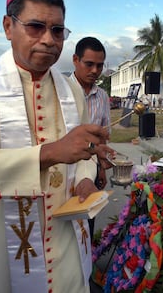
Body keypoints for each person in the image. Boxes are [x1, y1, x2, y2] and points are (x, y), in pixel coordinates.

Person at [0, 0, 114, 292]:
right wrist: (52, 152)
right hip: (3, 244)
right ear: (8, 26)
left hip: (66, 240)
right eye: (36, 27)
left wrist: (85, 179)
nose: (49, 39)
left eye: (58, 30)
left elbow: (84, 154)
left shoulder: (71, 90)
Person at [70, 36, 111, 234]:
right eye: (89, 64)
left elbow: (103, 137)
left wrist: (102, 169)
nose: (95, 71)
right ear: (75, 60)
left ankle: (88, 261)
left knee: (88, 220)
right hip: (64, 171)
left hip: (92, 169)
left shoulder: (102, 96)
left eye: (100, 66)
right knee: (65, 224)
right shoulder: (60, 91)